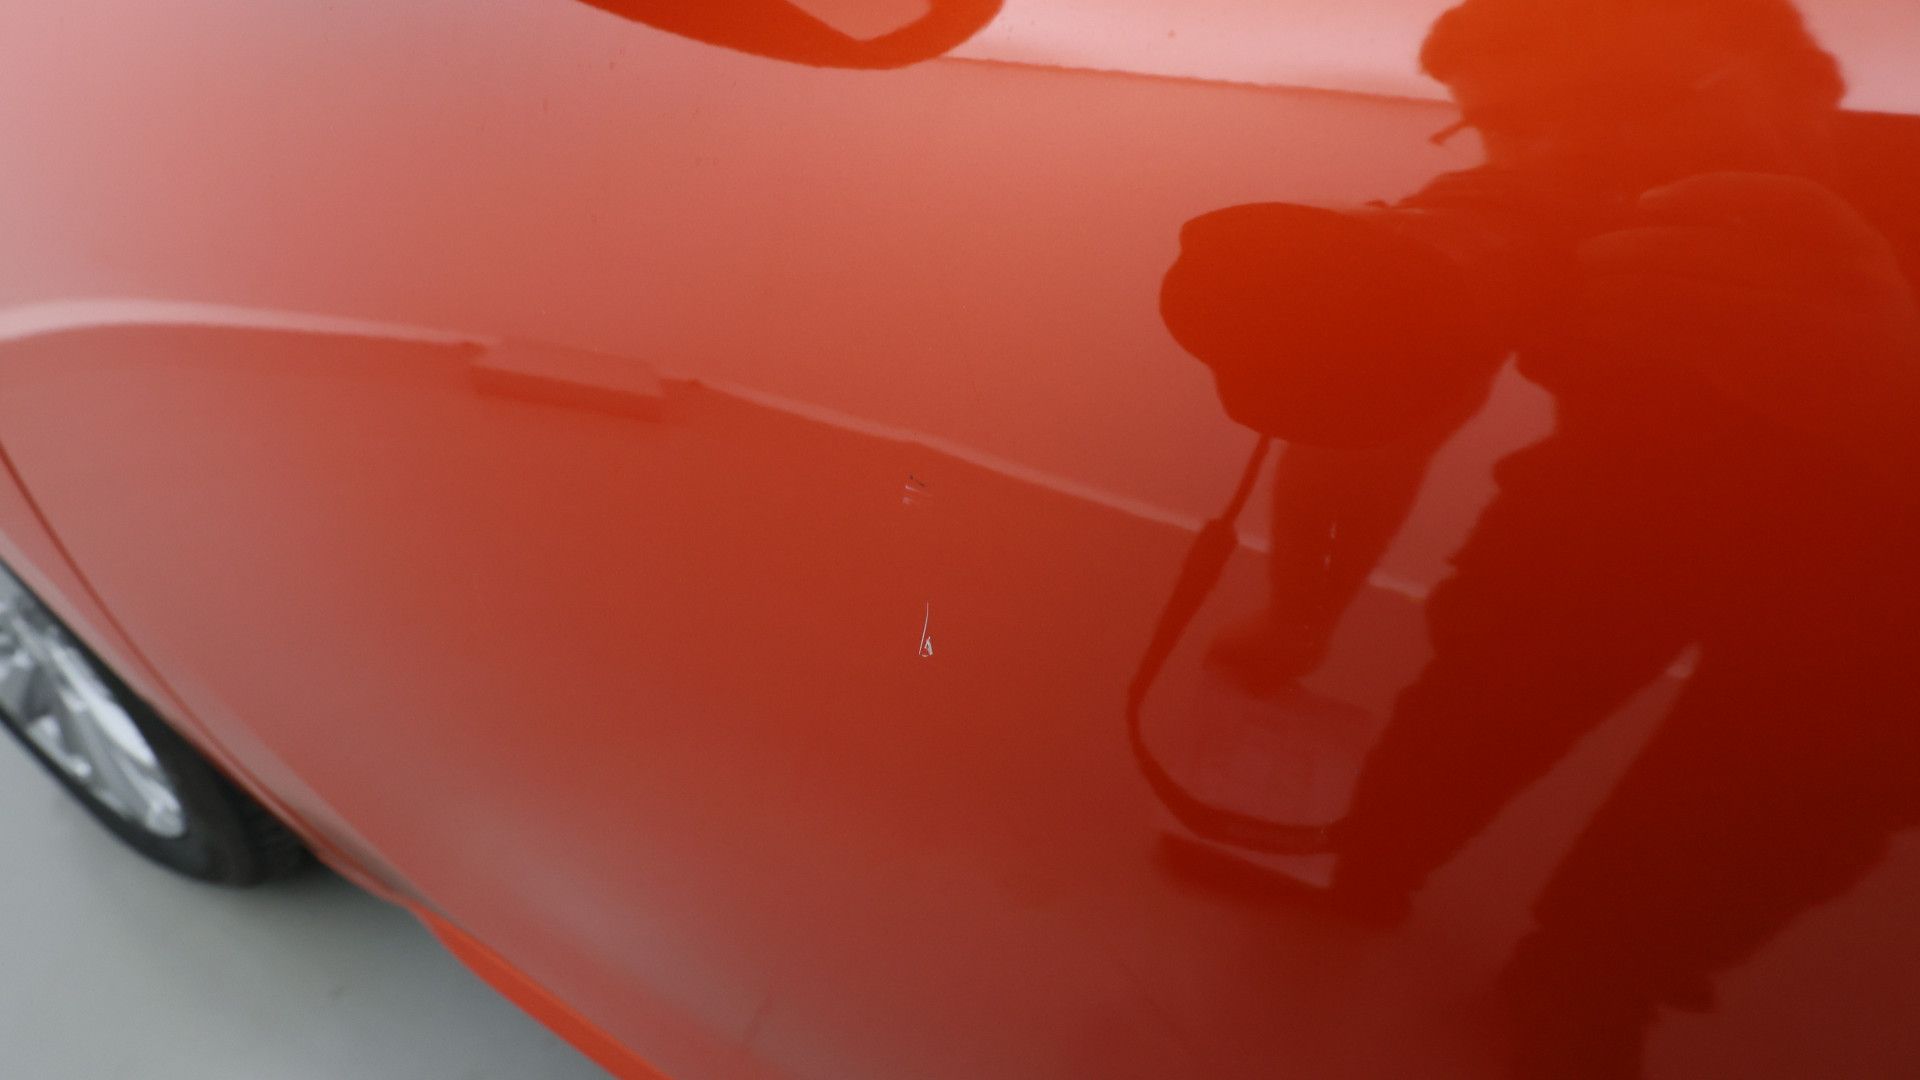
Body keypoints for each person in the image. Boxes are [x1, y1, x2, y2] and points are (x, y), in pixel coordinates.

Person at [1170, 1, 1920, 1075]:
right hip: (1614, 501)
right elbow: (1384, 427)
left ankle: (1585, 985)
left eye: (1632, 100)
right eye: (1510, 123)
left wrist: (1890, 388)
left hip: (1889, 581)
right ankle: (1370, 866)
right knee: (1477, 697)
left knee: (1762, 807)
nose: (1568, 151)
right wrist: (1300, 612)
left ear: (1807, 80)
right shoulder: (1528, 214)